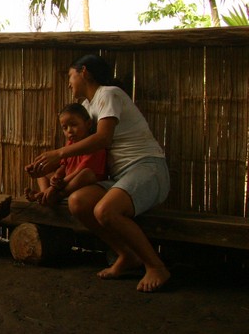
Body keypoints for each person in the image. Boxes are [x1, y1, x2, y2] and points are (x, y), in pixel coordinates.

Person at [27, 54, 170, 293]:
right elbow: (79, 151)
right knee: (78, 202)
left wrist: (59, 154)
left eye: (70, 76)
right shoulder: (86, 108)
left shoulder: (109, 94)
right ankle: (127, 255)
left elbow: (103, 138)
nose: (69, 82)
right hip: (118, 178)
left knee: (105, 210)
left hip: (147, 168)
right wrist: (47, 168)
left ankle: (156, 266)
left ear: (84, 72)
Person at [25, 103, 107, 206]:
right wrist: (57, 175)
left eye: (73, 125)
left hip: (80, 185)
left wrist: (57, 185)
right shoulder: (70, 144)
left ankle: (54, 195)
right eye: (65, 127)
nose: (69, 131)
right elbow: (64, 165)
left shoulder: (94, 145)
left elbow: (80, 171)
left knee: (86, 174)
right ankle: (44, 194)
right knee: (43, 170)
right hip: (64, 182)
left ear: (89, 124)